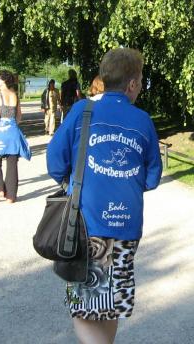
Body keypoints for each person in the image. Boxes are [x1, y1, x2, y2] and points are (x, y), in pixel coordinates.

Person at [47, 48, 162, 344]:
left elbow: (55, 162)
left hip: (86, 224)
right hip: (126, 226)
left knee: (83, 306)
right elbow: (152, 177)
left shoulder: (81, 112)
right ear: (132, 84)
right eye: (140, 80)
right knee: (111, 303)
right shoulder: (142, 120)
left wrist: (76, 180)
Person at [0, 69, 30, 203]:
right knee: (12, 163)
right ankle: (11, 196)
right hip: (13, 131)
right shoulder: (15, 95)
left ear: (3, 81)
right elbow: (19, 117)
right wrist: (12, 125)